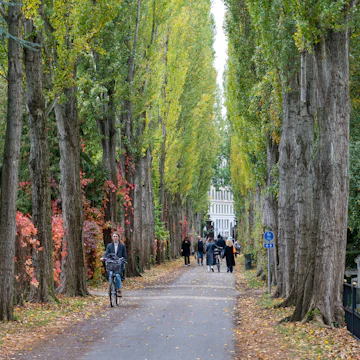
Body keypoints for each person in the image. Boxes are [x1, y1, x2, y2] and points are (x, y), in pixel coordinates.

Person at [101, 232, 127, 297]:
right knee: (110, 274)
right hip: (112, 263)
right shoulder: (109, 246)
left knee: (117, 275)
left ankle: (119, 289)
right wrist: (103, 258)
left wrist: (123, 260)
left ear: (118, 237)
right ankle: (111, 287)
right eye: (114, 236)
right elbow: (106, 254)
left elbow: (125, 256)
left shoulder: (122, 246)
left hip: (119, 264)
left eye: (116, 236)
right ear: (112, 238)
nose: (115, 238)